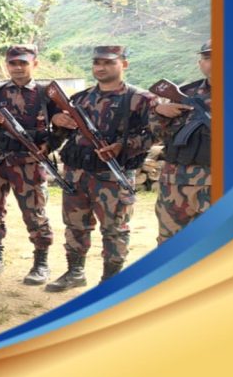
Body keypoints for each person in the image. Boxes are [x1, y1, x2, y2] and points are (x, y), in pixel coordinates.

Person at [46, 46, 156, 292]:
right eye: (97, 62)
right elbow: (64, 132)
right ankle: (75, 273)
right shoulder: (80, 98)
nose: (101, 67)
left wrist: (122, 146)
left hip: (112, 176)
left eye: (108, 62)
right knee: (75, 225)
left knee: (114, 229)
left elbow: (156, 134)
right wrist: (58, 121)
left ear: (124, 64)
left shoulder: (141, 99)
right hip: (76, 174)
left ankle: (110, 282)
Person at [0, 45, 61, 285]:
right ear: (7, 65)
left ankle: (41, 264)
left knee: (35, 213)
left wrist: (49, 146)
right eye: (13, 63)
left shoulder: (47, 95)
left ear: (35, 64)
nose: (18, 68)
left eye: (23, 63)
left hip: (28, 162)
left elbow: (63, 127)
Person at [150, 40, 212, 244]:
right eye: (207, 57)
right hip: (176, 182)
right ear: (200, 63)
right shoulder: (185, 93)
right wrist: (159, 112)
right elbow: (158, 133)